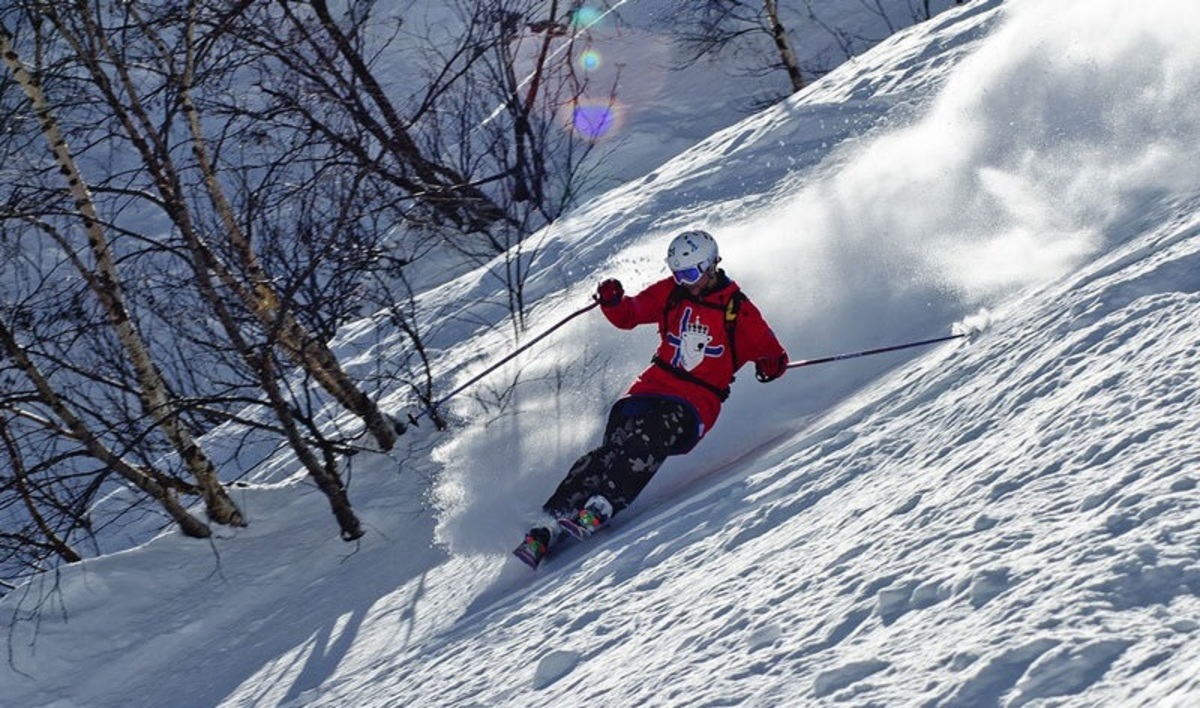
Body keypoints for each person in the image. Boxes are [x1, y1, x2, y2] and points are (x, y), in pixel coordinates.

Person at [513, 230, 790, 569]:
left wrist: (771, 364)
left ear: (710, 265)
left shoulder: (738, 311)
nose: (684, 282)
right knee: (610, 449)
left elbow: (771, 354)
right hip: (651, 387)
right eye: (678, 274)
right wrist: (613, 302)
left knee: (651, 435)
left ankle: (604, 503)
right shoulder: (671, 293)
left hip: (694, 402)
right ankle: (551, 519)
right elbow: (630, 314)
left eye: (689, 274)